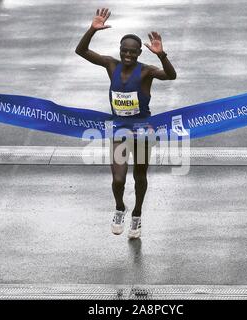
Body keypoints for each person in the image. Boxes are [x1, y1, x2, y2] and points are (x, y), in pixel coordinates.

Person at [75, 8, 177, 239]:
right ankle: (120, 207)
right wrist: (92, 29)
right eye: (124, 51)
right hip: (119, 130)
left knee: (139, 176)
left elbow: (171, 76)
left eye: (133, 52)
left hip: (142, 131)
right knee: (118, 179)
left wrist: (162, 55)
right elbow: (80, 51)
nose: (128, 55)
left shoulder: (146, 72)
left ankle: (138, 214)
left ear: (140, 53)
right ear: (120, 50)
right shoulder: (111, 65)